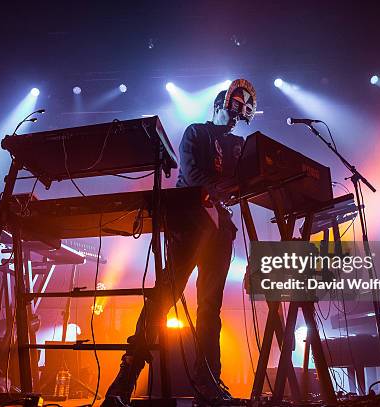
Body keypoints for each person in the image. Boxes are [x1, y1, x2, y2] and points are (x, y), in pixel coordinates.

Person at [101, 79, 257, 407]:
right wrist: (229, 186)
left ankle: (209, 382)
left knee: (210, 310)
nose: (235, 119)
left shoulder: (236, 145)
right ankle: (125, 380)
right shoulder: (195, 133)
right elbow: (192, 175)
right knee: (163, 299)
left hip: (220, 232)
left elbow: (245, 186)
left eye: (240, 114)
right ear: (218, 105)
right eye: (231, 110)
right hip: (189, 224)